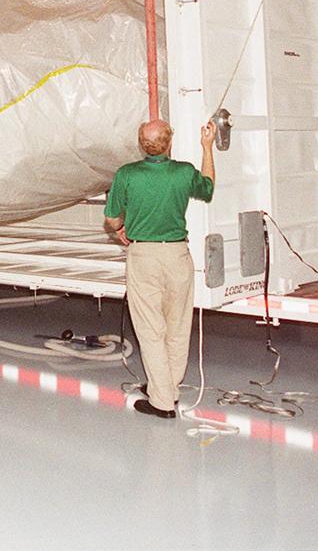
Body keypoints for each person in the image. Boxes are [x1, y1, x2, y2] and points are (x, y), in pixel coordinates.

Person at [103, 119, 215, 420]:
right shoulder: (184, 172)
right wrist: (207, 147)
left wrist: (121, 229)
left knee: (150, 330)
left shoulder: (127, 174)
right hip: (178, 254)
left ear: (142, 145)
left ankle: (162, 401)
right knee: (177, 327)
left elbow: (111, 218)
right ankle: (167, 388)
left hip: (144, 256)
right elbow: (208, 189)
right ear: (169, 143)